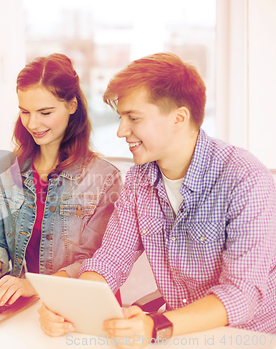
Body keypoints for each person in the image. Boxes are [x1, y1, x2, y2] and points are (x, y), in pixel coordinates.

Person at [38, 52, 276, 345]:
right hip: (174, 334)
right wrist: (72, 308)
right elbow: (110, 261)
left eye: (133, 118)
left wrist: (156, 324)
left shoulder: (244, 178)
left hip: (248, 337)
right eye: (121, 117)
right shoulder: (140, 179)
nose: (121, 131)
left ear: (179, 118)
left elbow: (241, 295)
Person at [0, 53, 122, 308]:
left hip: (81, 306)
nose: (32, 123)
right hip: (27, 305)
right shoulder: (5, 170)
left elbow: (95, 262)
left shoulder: (104, 179)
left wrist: (35, 286)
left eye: (45, 112)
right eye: (25, 112)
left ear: (72, 105)